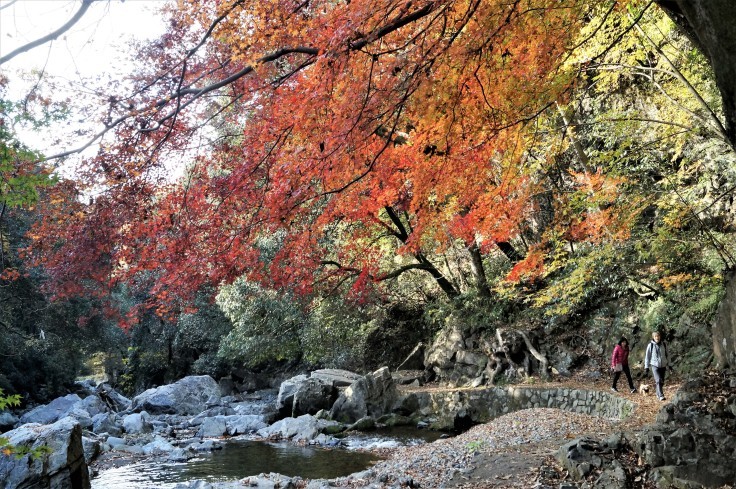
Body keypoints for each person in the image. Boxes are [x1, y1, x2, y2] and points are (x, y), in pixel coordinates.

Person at [644, 331, 668, 401]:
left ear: (660, 337)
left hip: (663, 365)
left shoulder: (664, 344)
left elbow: (668, 355)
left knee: (662, 381)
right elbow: (647, 357)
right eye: (655, 336)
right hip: (654, 365)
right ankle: (661, 395)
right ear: (653, 337)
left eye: (658, 336)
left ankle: (658, 393)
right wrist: (646, 367)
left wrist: (670, 365)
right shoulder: (650, 345)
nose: (657, 338)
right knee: (658, 380)